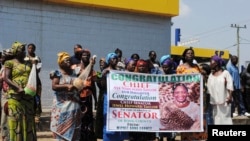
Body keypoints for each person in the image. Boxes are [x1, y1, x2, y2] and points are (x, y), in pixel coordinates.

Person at [3, 41, 37, 141]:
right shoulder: (9, 63)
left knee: (29, 120)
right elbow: (6, 78)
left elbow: (34, 77)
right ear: (17, 52)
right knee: (16, 121)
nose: (24, 52)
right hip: (15, 97)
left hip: (28, 96)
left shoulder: (29, 63)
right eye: (22, 50)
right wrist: (17, 88)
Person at [50, 52, 83, 140]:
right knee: (61, 130)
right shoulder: (57, 73)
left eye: (69, 60)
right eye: (66, 60)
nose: (69, 61)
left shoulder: (74, 73)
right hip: (61, 107)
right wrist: (66, 86)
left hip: (74, 106)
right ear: (61, 63)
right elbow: (54, 86)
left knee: (74, 130)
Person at [102, 52, 129, 141]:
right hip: (108, 98)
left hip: (119, 99)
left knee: (119, 119)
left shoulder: (120, 72)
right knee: (109, 120)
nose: (115, 60)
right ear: (109, 60)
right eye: (112, 58)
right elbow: (102, 86)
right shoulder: (105, 71)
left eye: (116, 58)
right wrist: (104, 76)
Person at [207, 55, 234, 125]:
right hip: (214, 103)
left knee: (226, 119)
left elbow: (230, 86)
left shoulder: (225, 73)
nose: (210, 63)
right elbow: (209, 90)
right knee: (216, 119)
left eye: (211, 61)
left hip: (225, 102)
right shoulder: (210, 75)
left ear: (216, 63)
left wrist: (230, 97)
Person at [78, 49, 97, 141]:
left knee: (88, 118)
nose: (85, 57)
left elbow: (93, 86)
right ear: (81, 57)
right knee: (79, 117)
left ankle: (88, 137)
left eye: (87, 56)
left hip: (88, 97)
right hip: (78, 97)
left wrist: (96, 99)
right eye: (84, 55)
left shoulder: (92, 71)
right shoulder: (77, 68)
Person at [157, 55, 176, 141]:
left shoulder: (175, 75)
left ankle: (171, 138)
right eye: (163, 67)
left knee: (171, 123)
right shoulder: (159, 76)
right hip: (161, 102)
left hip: (172, 103)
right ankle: (160, 137)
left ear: (170, 66)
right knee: (162, 122)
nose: (165, 69)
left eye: (166, 67)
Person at [24, 43, 43, 126]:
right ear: (27, 49)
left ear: (34, 49)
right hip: (27, 81)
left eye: (32, 48)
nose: (30, 50)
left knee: (37, 99)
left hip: (36, 82)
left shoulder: (37, 58)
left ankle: (37, 118)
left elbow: (38, 70)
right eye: (29, 48)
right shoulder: (24, 58)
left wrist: (33, 64)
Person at [0, 49, 14, 141]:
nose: (2, 59)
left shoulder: (13, 67)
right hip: (5, 95)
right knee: (5, 117)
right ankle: (5, 137)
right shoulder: (3, 68)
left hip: (13, 95)